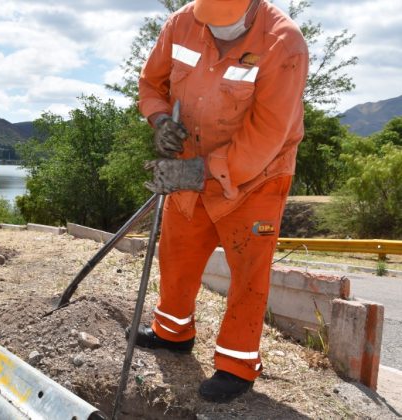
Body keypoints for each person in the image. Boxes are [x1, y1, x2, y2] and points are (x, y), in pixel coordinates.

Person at [131, 0, 308, 403]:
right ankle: (172, 333)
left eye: (226, 25)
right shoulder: (181, 23)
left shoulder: (284, 43)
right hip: (189, 162)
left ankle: (236, 364)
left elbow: (268, 133)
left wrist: (199, 172)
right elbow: (151, 84)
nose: (215, 32)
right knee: (177, 252)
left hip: (257, 176)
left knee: (247, 269)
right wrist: (160, 121)